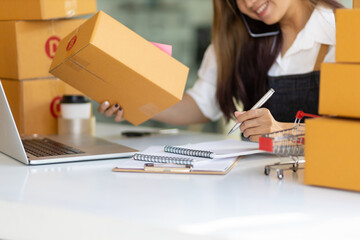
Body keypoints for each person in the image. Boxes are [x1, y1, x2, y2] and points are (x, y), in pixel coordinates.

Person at [98, 0, 343, 141]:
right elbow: (201, 104)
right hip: (254, 186)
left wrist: (284, 130)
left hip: (323, 188)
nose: (248, 3)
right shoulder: (239, 36)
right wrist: (137, 100)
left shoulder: (346, 31)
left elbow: (350, 136)